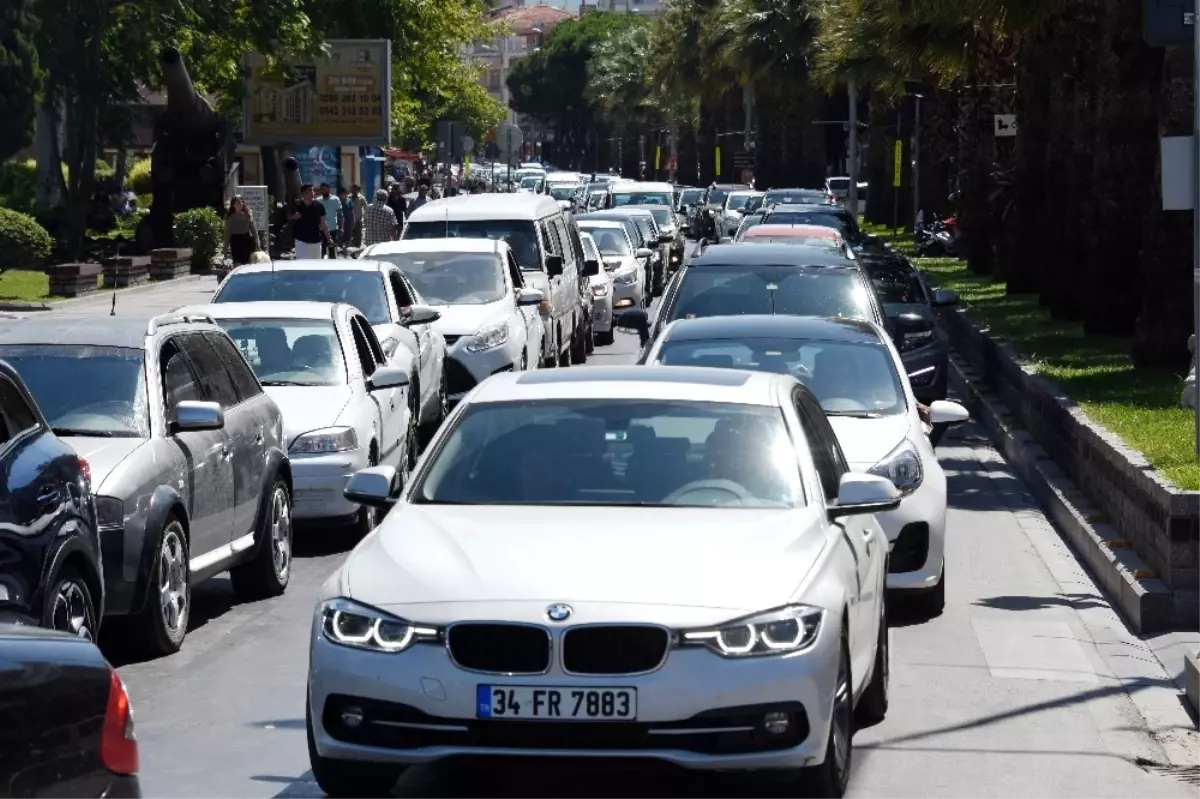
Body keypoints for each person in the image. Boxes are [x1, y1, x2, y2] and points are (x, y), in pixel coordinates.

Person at [289, 184, 329, 260]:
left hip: (316, 241)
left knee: (316, 265)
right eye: (309, 190)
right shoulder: (297, 205)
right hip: (301, 241)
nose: (312, 192)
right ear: (303, 194)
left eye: (312, 190)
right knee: (302, 265)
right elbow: (288, 217)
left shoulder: (319, 206)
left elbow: (323, 224)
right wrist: (294, 216)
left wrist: (329, 238)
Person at [223, 195, 259, 267]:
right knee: (237, 263)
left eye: (242, 202)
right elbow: (227, 233)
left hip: (246, 240)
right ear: (233, 204)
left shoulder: (248, 214)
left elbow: (253, 230)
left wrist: (258, 243)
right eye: (238, 202)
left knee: (247, 263)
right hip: (235, 241)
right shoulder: (230, 217)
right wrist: (225, 250)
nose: (240, 204)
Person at [317, 183, 342, 258]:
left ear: (328, 189)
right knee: (322, 250)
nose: (323, 190)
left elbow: (340, 214)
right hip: (321, 229)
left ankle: (332, 266)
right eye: (321, 189)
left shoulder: (335, 199)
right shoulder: (318, 200)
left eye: (324, 188)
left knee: (332, 250)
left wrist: (341, 227)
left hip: (333, 228)